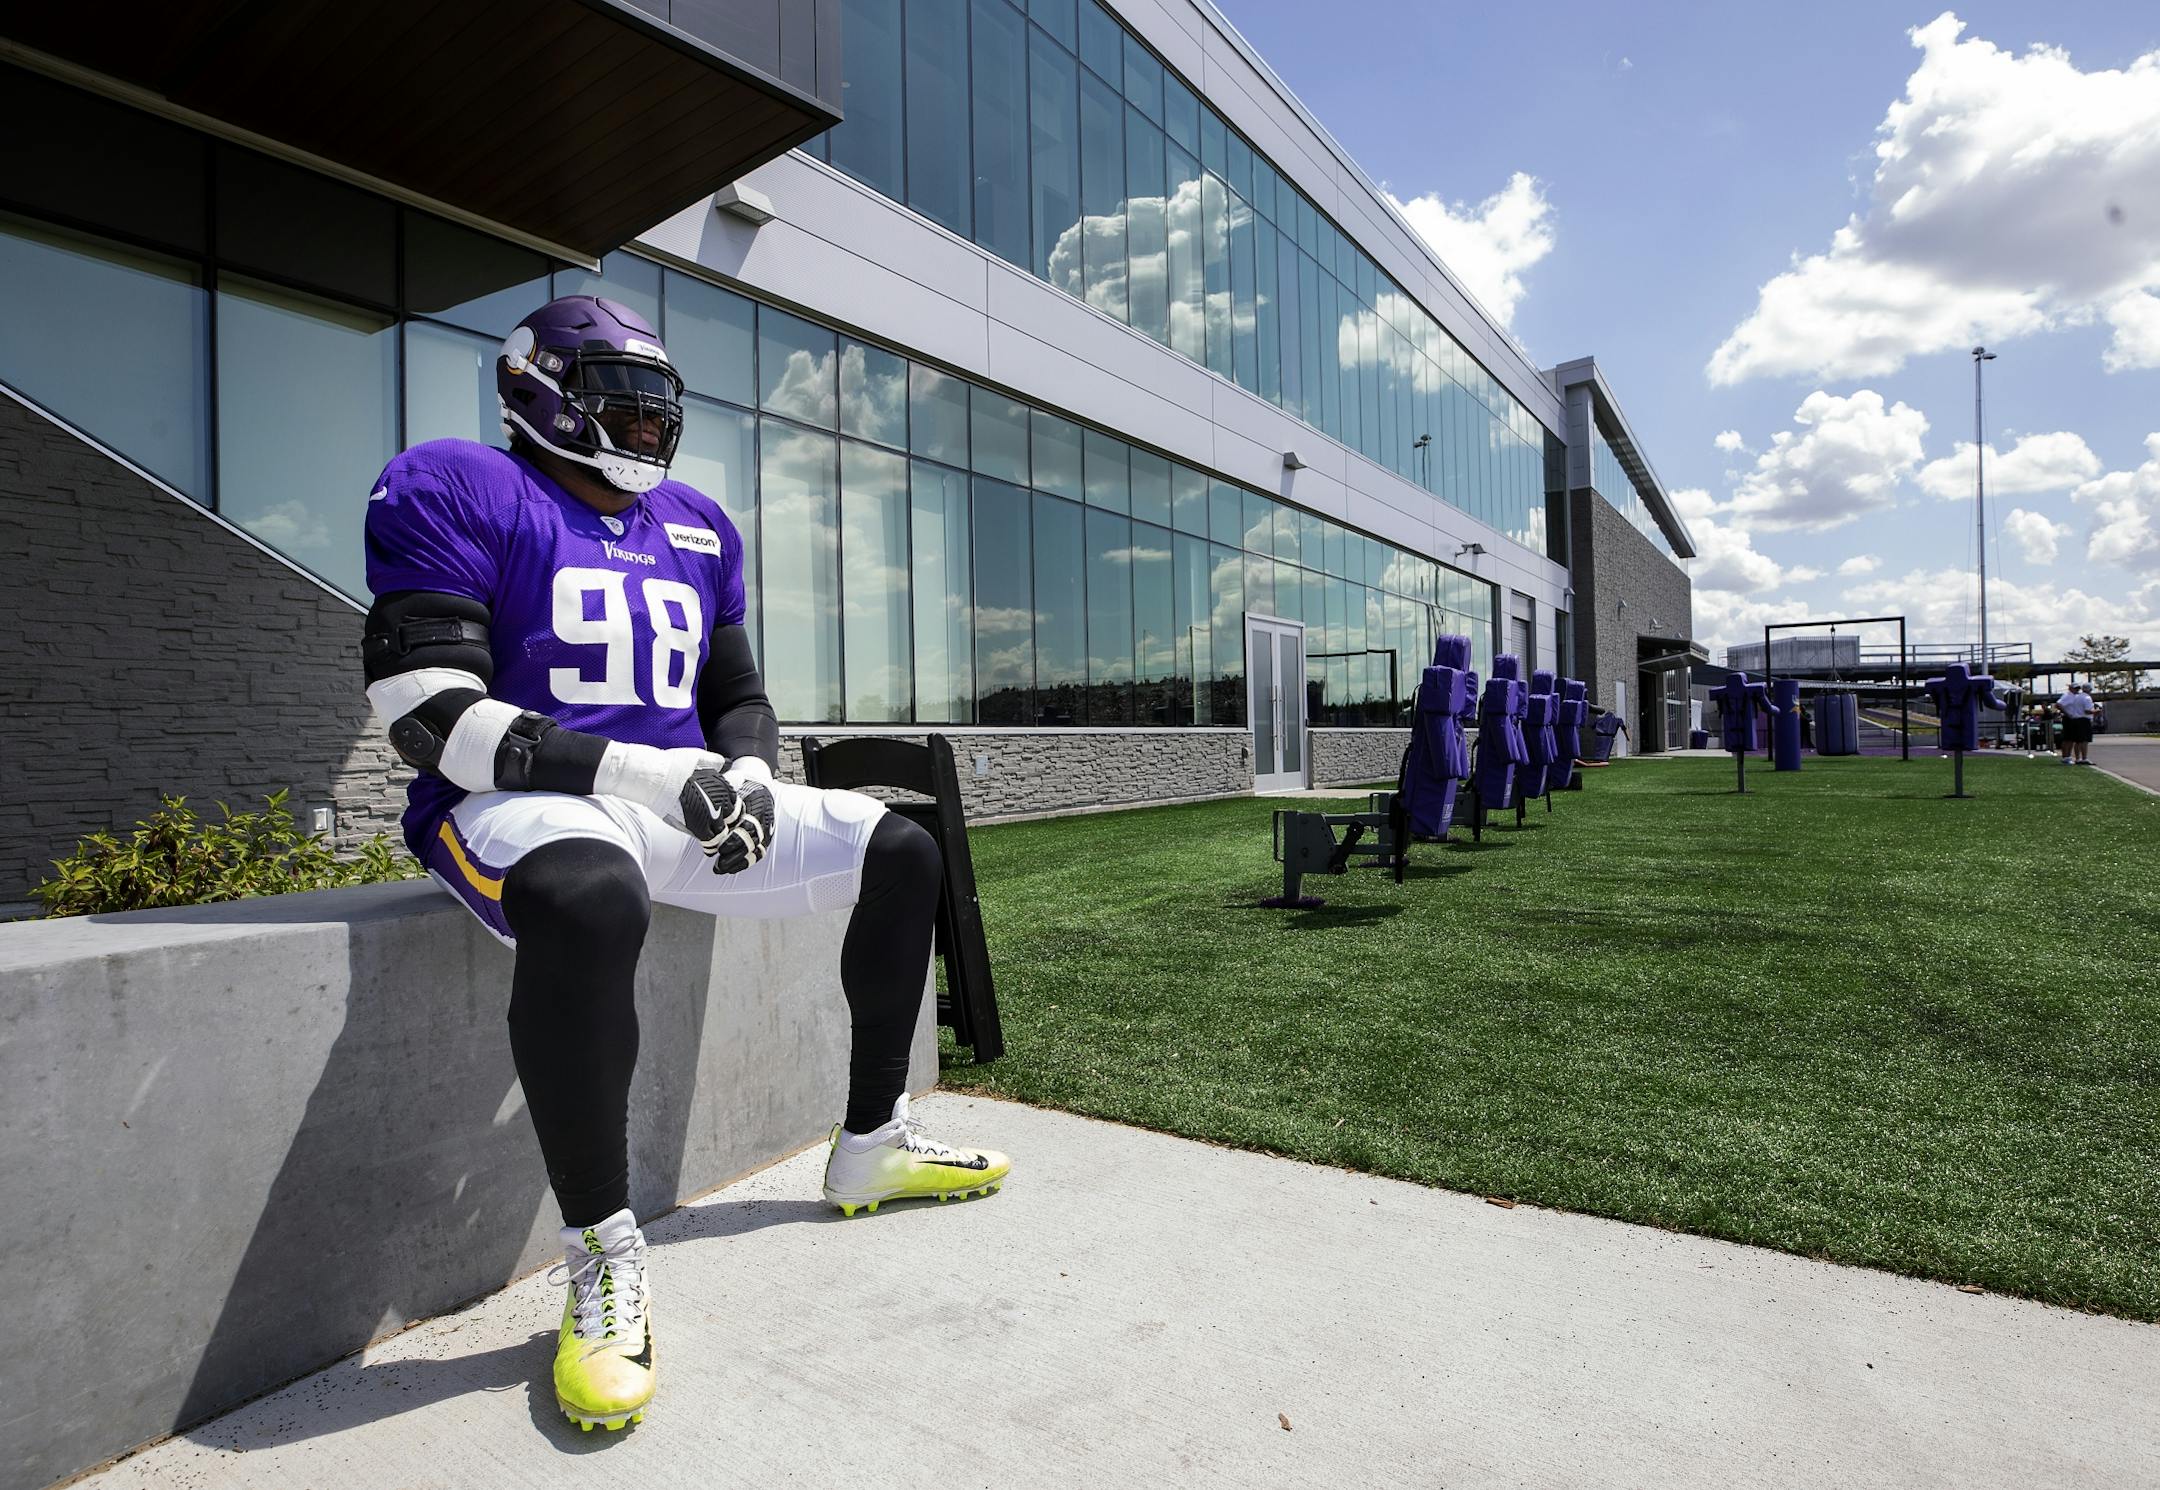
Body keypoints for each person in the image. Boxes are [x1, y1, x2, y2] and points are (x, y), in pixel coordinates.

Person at [359, 295, 1010, 1432]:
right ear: (540, 395)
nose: (647, 432)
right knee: (591, 894)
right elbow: (430, 718)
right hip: (517, 802)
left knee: (901, 848)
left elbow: (738, 698)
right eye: (623, 406)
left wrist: (747, 780)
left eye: (659, 412)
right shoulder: (457, 483)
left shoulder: (702, 524)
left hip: (678, 802)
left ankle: (870, 1144)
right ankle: (605, 1253)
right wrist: (665, 781)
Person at [2056, 680, 2095, 765]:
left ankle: (2071, 757)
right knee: (2068, 738)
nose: (2076, 690)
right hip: (2069, 718)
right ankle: (2066, 757)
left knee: (2074, 739)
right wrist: (2067, 714)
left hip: (2074, 718)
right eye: (2075, 688)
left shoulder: (2076, 696)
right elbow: (2058, 704)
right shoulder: (2068, 696)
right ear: (2070, 688)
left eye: (2078, 688)